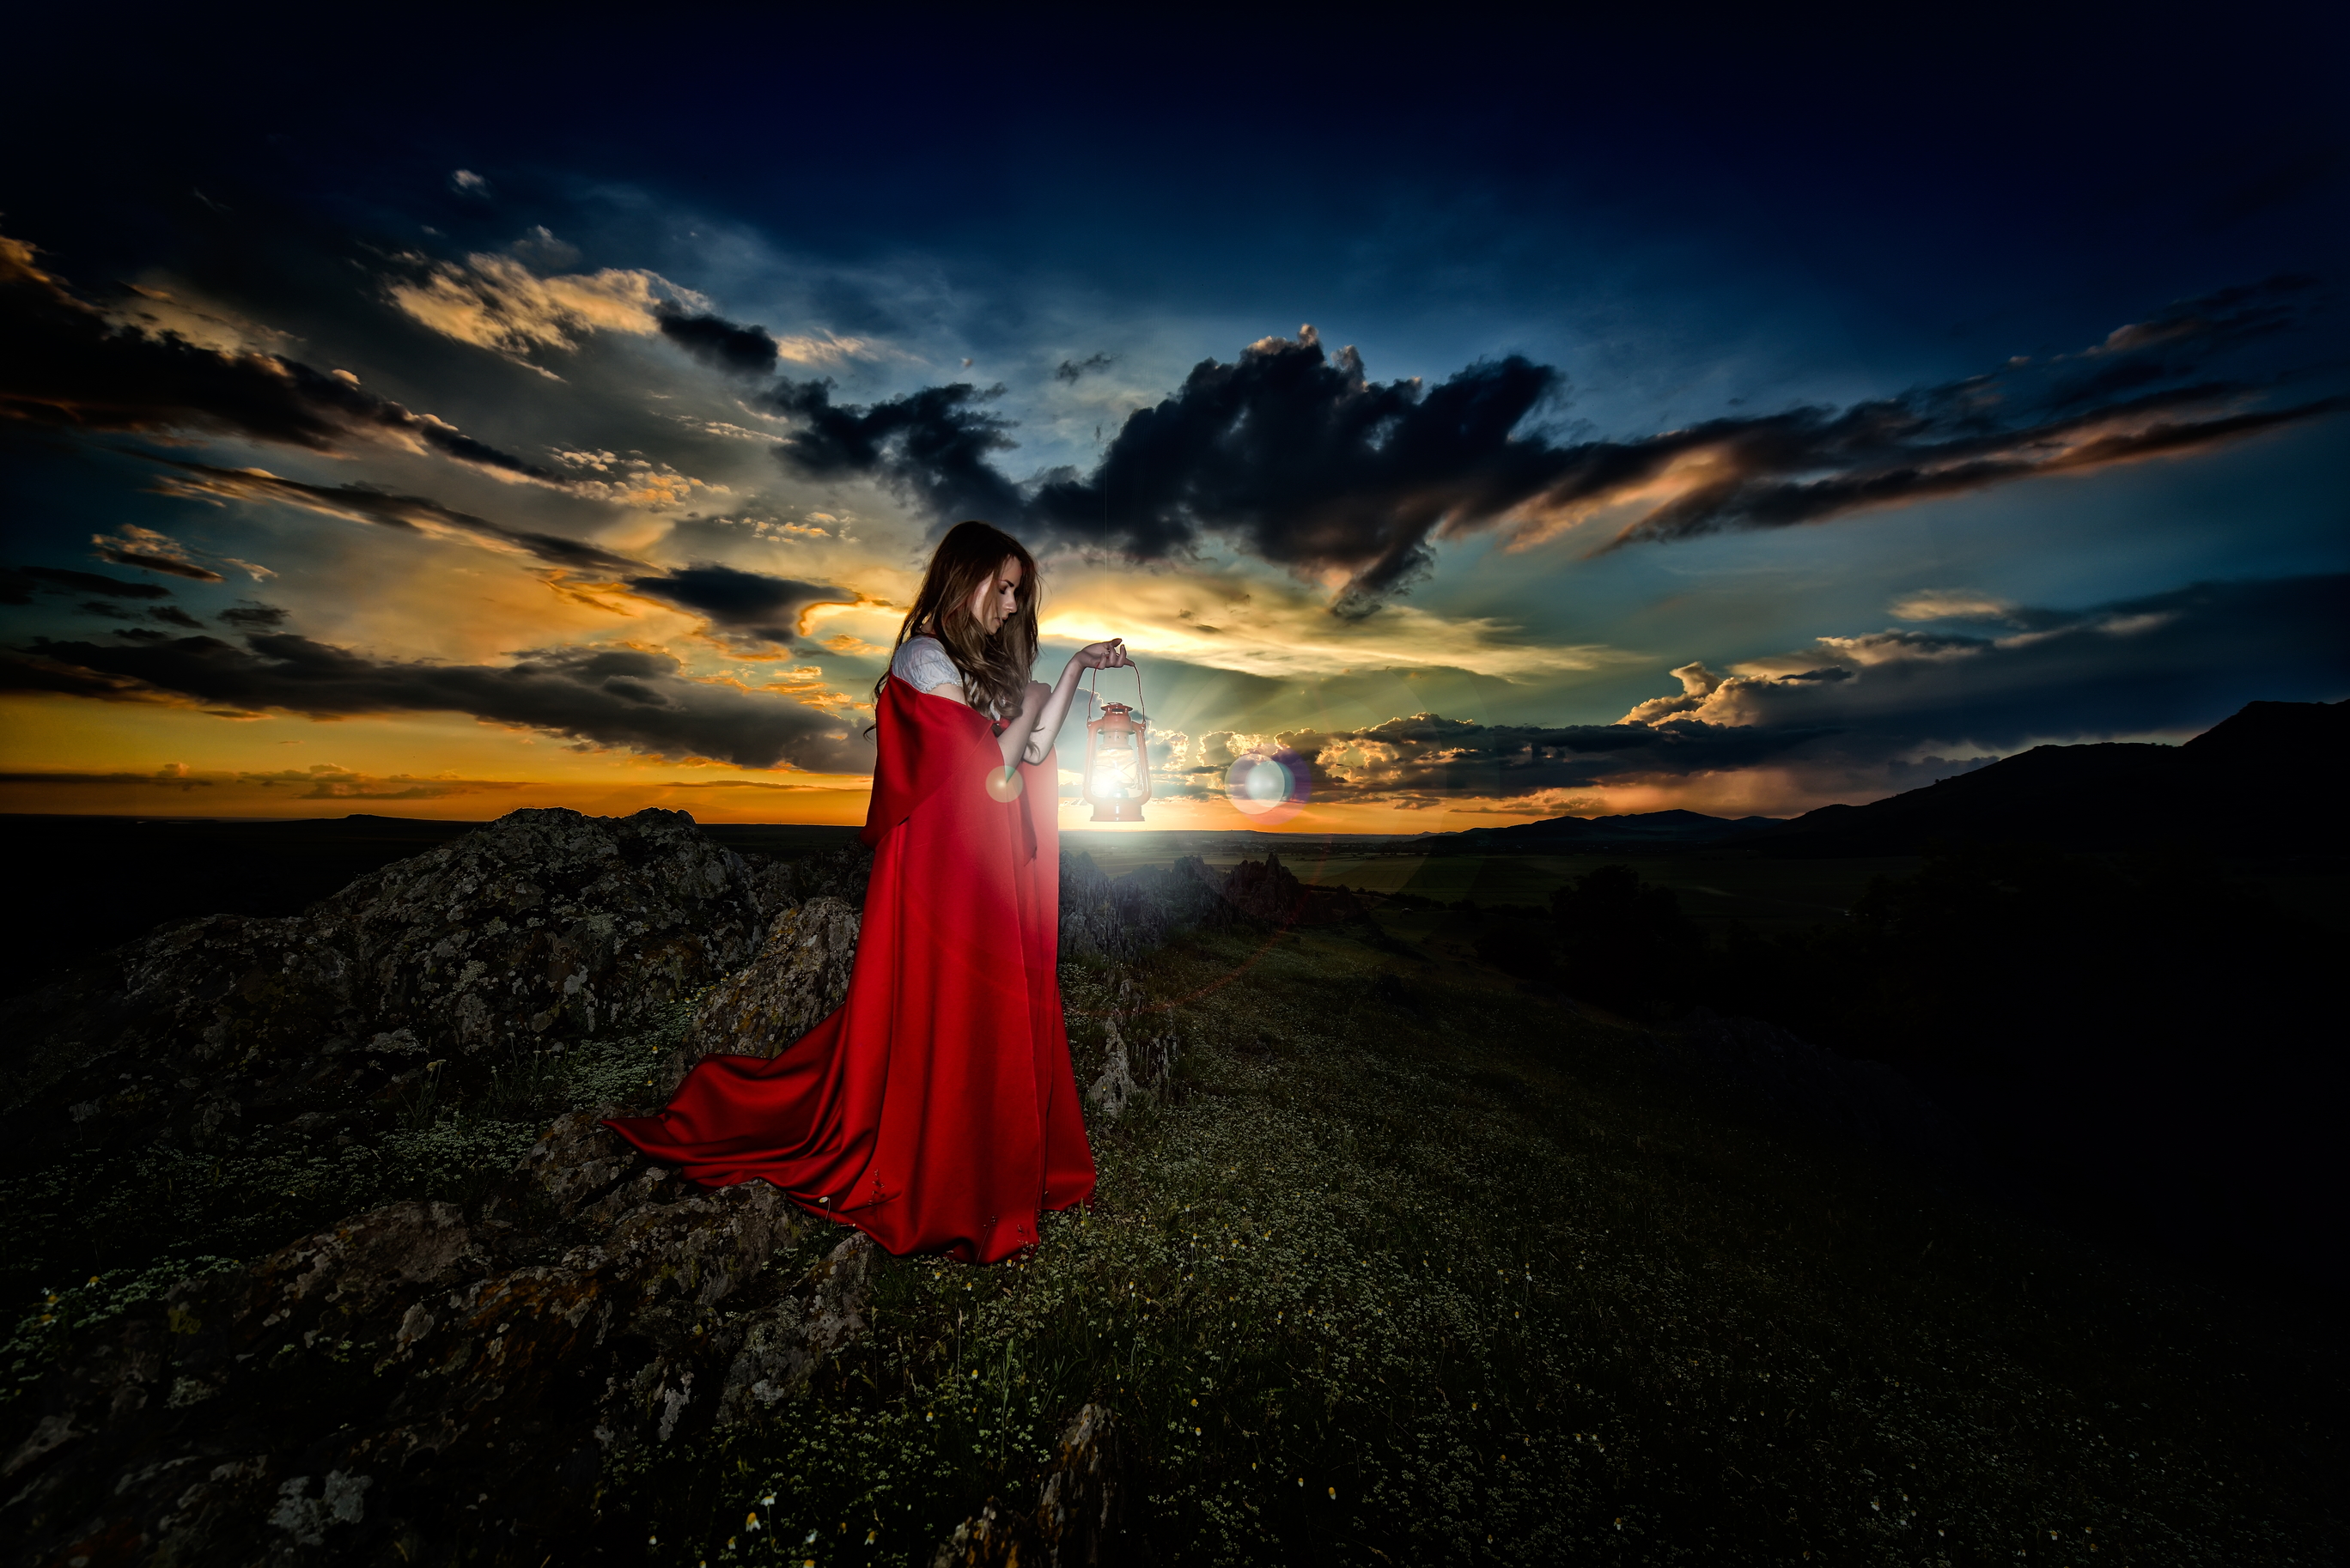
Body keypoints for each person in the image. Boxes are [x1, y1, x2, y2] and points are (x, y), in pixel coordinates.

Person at [605, 521, 1131, 1263]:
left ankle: (981, 1158)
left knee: (985, 1007)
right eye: (1004, 588)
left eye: (1020, 593)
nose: (1013, 606)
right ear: (967, 577)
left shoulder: (975, 666)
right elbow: (988, 768)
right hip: (939, 867)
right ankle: (939, 1167)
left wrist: (1071, 670)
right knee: (944, 1007)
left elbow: (1033, 754)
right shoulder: (924, 658)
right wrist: (1036, 696)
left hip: (978, 862)